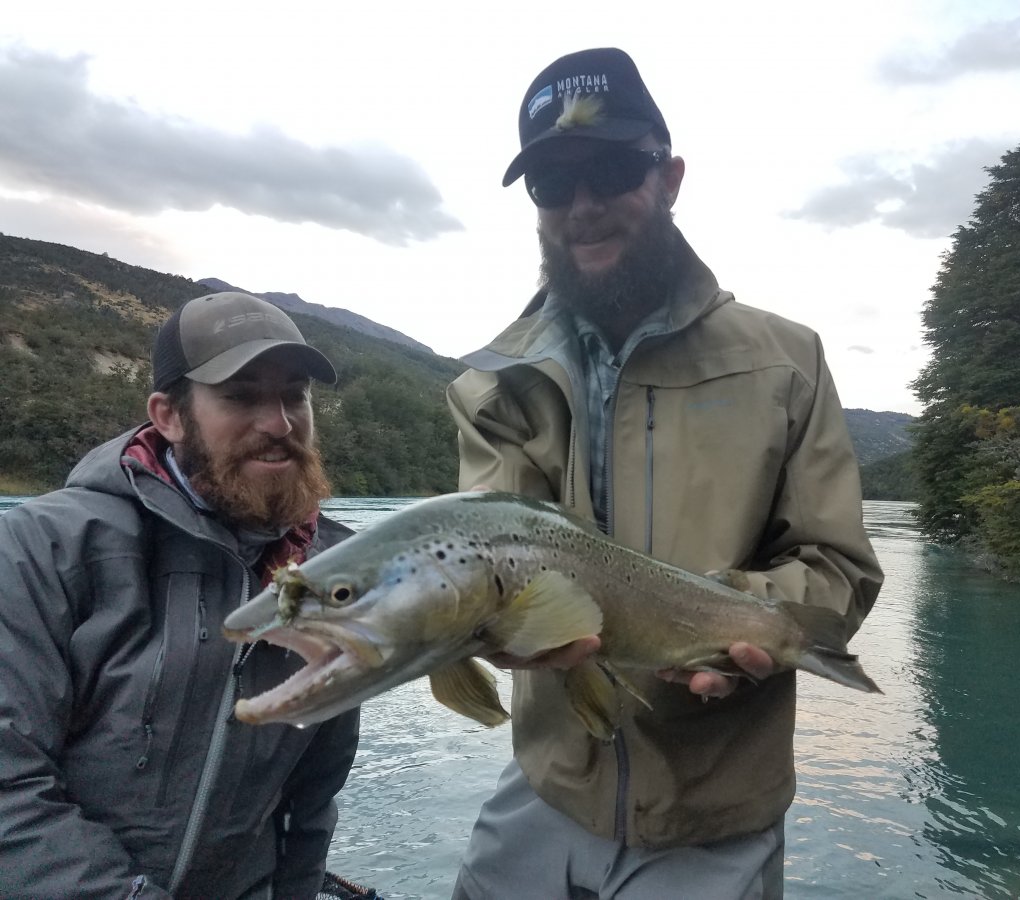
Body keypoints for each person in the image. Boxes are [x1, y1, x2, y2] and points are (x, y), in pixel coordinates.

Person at [446, 48, 885, 899]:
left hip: (716, 808)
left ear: (670, 176)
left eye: (610, 170)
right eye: (552, 183)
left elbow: (838, 564)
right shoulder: (490, 384)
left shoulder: (788, 362)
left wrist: (740, 626)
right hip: (546, 785)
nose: (583, 206)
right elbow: (493, 558)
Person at [0, 292, 361, 899]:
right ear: (168, 416)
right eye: (241, 396)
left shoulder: (332, 573)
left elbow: (310, 801)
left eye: (294, 395)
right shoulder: (43, 548)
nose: (278, 423)